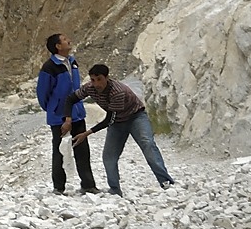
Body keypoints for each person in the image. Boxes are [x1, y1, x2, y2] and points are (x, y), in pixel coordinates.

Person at [61, 65, 175, 196]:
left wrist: (87, 133)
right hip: (117, 122)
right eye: (93, 80)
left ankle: (166, 182)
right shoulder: (89, 88)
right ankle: (115, 190)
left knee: (147, 144)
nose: (96, 84)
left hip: (135, 117)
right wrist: (68, 119)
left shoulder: (117, 91)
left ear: (107, 78)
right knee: (109, 157)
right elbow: (71, 99)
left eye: (99, 79)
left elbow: (109, 119)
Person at [36, 33, 98, 195]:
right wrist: (54, 108)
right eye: (64, 39)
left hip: (77, 112)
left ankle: (88, 184)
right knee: (60, 151)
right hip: (59, 117)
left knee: (83, 149)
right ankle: (58, 187)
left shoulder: (72, 62)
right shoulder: (49, 67)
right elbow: (43, 94)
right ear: (57, 46)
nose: (68, 40)